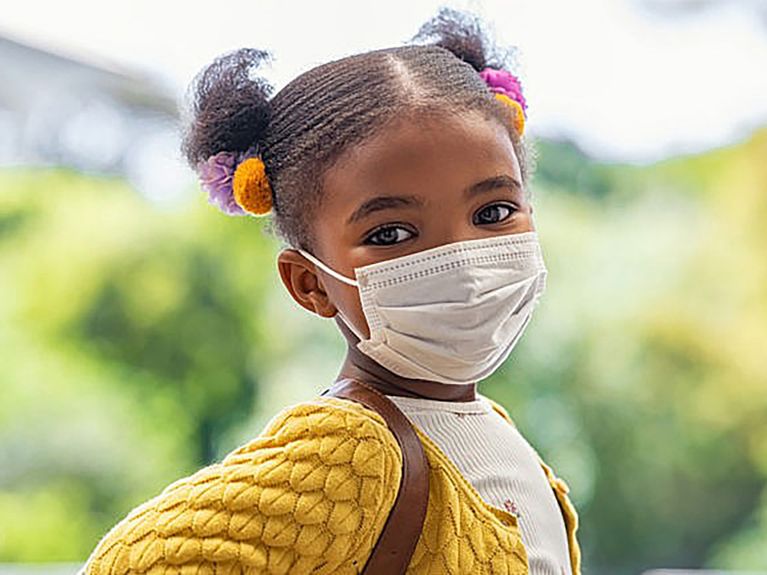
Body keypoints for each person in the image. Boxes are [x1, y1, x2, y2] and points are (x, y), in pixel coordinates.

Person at [80, 8, 581, 575]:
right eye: (390, 233)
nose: (461, 260)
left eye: (493, 211)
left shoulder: (489, 425)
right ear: (310, 283)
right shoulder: (351, 451)